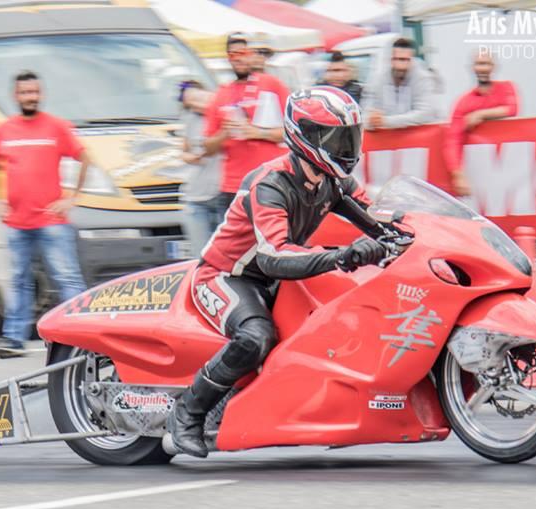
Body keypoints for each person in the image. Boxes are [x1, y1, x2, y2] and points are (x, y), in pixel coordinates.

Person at [166, 87, 388, 458]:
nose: (345, 147)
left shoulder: (333, 181)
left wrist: (416, 230)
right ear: (306, 137)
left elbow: (379, 217)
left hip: (275, 278)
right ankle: (187, 412)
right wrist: (342, 256)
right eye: (335, 138)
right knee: (256, 337)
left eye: (349, 137)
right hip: (227, 275)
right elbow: (273, 256)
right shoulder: (270, 183)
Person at [0, 71, 89, 357]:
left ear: (40, 94)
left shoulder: (56, 127)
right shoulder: (4, 130)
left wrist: (72, 198)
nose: (30, 97)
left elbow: (84, 158)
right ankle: (14, 340)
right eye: (24, 93)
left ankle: (82, 338)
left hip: (52, 221)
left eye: (34, 92)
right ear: (15, 96)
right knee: (19, 281)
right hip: (17, 222)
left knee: (67, 278)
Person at [202, 32, 291, 218]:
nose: (238, 58)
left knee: (275, 235)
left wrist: (258, 132)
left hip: (272, 182)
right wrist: (224, 133)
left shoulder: (272, 85)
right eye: (233, 54)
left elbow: (294, 132)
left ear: (251, 54)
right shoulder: (221, 94)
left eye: (243, 52)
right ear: (228, 59)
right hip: (234, 188)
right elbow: (207, 148)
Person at [444, 52, 519, 196]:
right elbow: (453, 139)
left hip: (510, 166)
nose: (483, 68)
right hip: (480, 169)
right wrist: (458, 175)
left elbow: (512, 109)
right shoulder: (463, 102)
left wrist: (480, 114)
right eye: (479, 64)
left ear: (493, 67)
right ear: (472, 68)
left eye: (486, 64)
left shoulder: (506, 87)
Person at [178, 80, 224, 254]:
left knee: (223, 254)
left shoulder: (224, 117)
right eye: (189, 103)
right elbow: (184, 152)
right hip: (195, 196)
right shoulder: (190, 119)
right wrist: (191, 157)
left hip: (221, 194)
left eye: (197, 99)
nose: (195, 106)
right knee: (200, 255)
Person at [362, 37, 437, 130]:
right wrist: (371, 120)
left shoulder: (422, 78)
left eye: (405, 59)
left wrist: (386, 121)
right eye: (397, 59)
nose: (401, 64)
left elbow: (425, 113)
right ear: (391, 59)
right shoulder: (379, 78)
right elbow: (366, 111)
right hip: (388, 135)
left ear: (412, 59)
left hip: (416, 134)